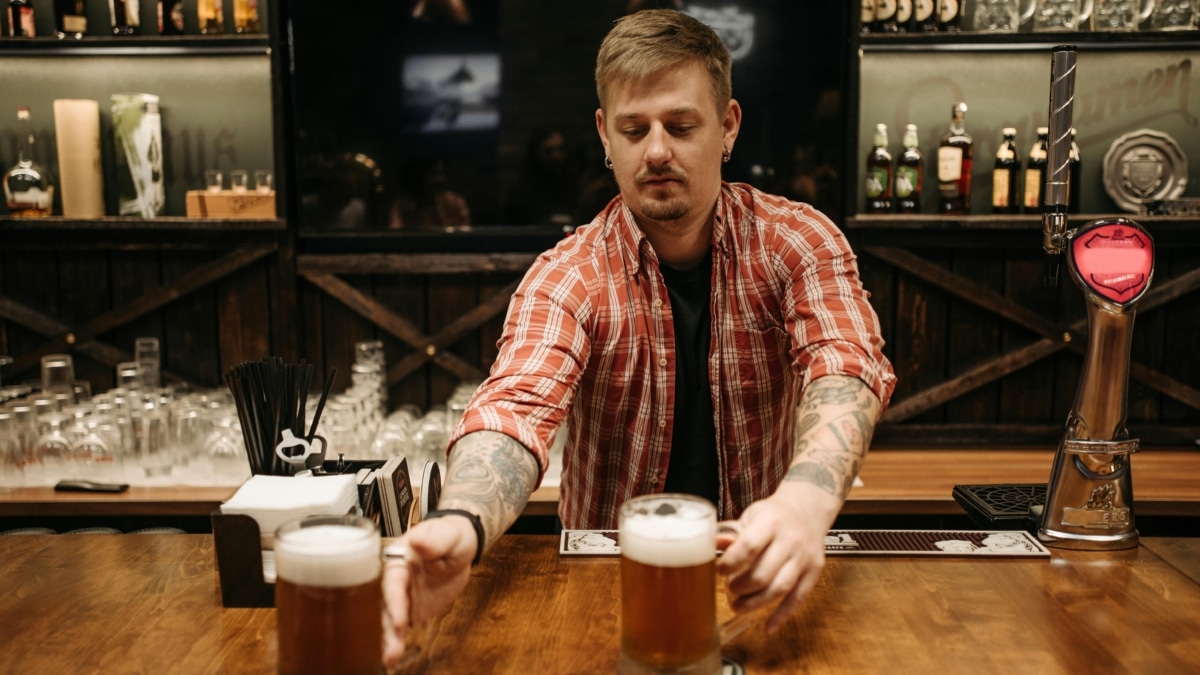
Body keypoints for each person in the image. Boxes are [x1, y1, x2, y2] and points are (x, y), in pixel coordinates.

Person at [382, 9, 895, 667]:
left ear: (728, 126)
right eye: (634, 128)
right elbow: (515, 407)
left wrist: (804, 505)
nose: (656, 150)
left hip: (762, 572)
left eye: (681, 126)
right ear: (605, 136)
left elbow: (845, 362)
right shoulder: (568, 274)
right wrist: (462, 522)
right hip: (609, 588)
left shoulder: (798, 241)